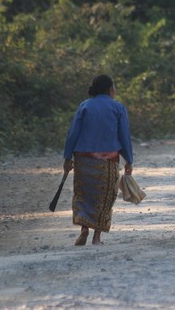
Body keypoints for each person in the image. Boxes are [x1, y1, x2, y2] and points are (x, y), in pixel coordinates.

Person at [63, 74, 134, 246]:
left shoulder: (84, 106)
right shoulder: (118, 108)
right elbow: (124, 136)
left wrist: (67, 157)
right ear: (110, 89)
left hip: (84, 161)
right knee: (104, 198)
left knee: (84, 195)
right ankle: (97, 237)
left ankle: (84, 230)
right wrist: (129, 160)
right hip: (107, 161)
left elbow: (73, 133)